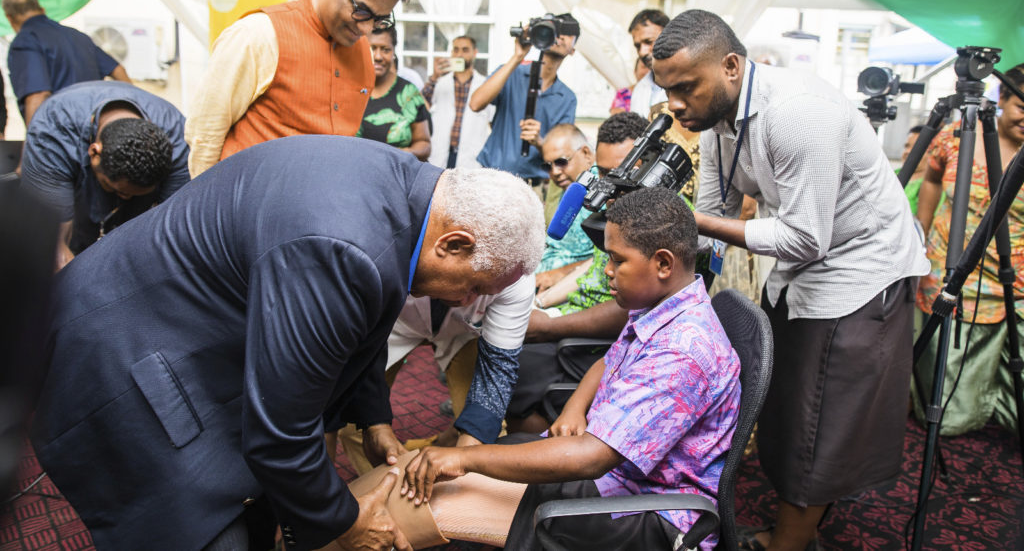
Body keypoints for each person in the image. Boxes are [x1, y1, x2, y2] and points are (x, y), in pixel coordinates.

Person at [30, 135, 546, 551]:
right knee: (198, 527)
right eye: (474, 286)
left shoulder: (408, 195)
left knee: (256, 503)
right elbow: (280, 433)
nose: (464, 303)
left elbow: (355, 331)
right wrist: (345, 523)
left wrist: (374, 418)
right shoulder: (344, 249)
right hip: (117, 352)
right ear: (454, 243)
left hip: (179, 330)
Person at [651, 9, 929, 551]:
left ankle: (789, 543)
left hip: (859, 272)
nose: (675, 105)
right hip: (803, 267)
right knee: (786, 400)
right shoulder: (719, 115)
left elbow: (804, 238)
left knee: (819, 422)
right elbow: (715, 209)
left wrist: (692, 223)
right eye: (667, 91)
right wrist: (674, 285)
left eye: (685, 88)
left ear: (731, 66)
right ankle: (794, 525)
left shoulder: (798, 113)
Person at [400, 187, 741, 551]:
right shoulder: (661, 307)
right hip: (617, 475)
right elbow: (609, 361)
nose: (607, 271)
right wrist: (575, 407)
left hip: (652, 512)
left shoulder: (683, 350)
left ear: (663, 264)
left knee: (441, 508)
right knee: (487, 465)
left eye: (617, 260)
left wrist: (463, 458)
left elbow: (592, 459)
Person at [184, 0, 409, 177]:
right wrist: (206, 198)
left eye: (380, 19)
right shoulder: (259, 34)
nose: (366, 29)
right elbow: (205, 133)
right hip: (247, 197)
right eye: (361, 10)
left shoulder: (364, 52)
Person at [506, 112, 649, 434]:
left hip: (597, 343)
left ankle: (544, 454)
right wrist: (542, 304)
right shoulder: (617, 208)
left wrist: (549, 326)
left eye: (623, 173)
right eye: (605, 173)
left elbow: (631, 312)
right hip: (575, 317)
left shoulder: (657, 220)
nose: (611, 185)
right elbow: (591, 268)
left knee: (511, 363)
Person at [913, 63, 1024, 436]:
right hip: (949, 263)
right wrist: (921, 231)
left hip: (1012, 275)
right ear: (1002, 97)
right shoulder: (956, 137)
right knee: (947, 391)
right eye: (1021, 107)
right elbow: (931, 178)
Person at [338, 272, 535, 473]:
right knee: (353, 422)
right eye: (470, 285)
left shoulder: (517, 277)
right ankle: (385, 482)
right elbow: (356, 342)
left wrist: (469, 456)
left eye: (481, 290)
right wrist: (374, 422)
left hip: (463, 332)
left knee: (487, 434)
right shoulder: (383, 262)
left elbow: (497, 369)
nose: (466, 300)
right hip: (392, 322)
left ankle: (446, 460)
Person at [19, 81, 189, 268]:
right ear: (94, 153)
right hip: (76, 195)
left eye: (133, 193)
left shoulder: (178, 139)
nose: (125, 197)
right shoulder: (52, 131)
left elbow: (174, 231)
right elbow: (53, 246)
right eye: (120, 190)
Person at [473, 14, 579, 186]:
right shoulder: (510, 73)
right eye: (556, 30)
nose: (560, 36)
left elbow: (563, 154)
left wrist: (540, 142)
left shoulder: (567, 98)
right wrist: (517, 56)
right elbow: (475, 103)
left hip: (532, 184)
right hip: (491, 178)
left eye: (568, 33)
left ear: (573, 49)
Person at [2, 0, 131, 127]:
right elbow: (118, 70)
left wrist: (33, 138)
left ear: (9, 18)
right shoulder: (79, 36)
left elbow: (38, 95)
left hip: (60, 132)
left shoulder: (26, 40)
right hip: (93, 128)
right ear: (42, 10)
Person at [535, 123, 596, 288]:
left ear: (586, 154)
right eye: (548, 166)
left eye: (561, 162)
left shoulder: (600, 195)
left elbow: (605, 259)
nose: (554, 172)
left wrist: (559, 274)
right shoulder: (569, 186)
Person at [357, 26, 431, 160]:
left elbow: (424, 144)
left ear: (393, 53)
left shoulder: (409, 93)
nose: (378, 56)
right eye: (372, 48)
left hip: (397, 170)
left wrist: (397, 155)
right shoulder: (348, 88)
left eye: (385, 50)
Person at [422, 35, 491, 169]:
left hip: (472, 157)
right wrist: (434, 77)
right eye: (456, 50)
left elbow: (493, 121)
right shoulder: (439, 82)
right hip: (440, 154)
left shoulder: (485, 85)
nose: (459, 54)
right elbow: (421, 106)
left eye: (465, 50)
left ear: (475, 53)